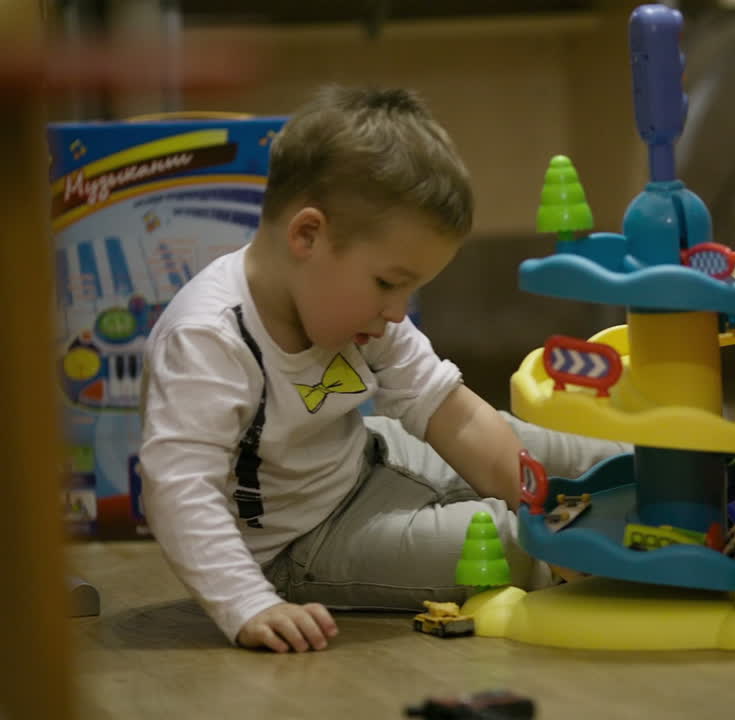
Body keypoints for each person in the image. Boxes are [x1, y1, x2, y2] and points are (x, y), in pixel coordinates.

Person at [139, 85, 628, 653]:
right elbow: (179, 489)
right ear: (307, 235)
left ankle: (675, 475)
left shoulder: (362, 310)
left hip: (374, 452)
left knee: (541, 445)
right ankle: (638, 545)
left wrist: (535, 495)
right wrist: (248, 603)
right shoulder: (208, 339)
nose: (397, 311)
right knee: (502, 544)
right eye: (389, 284)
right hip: (303, 543)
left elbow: (455, 416)